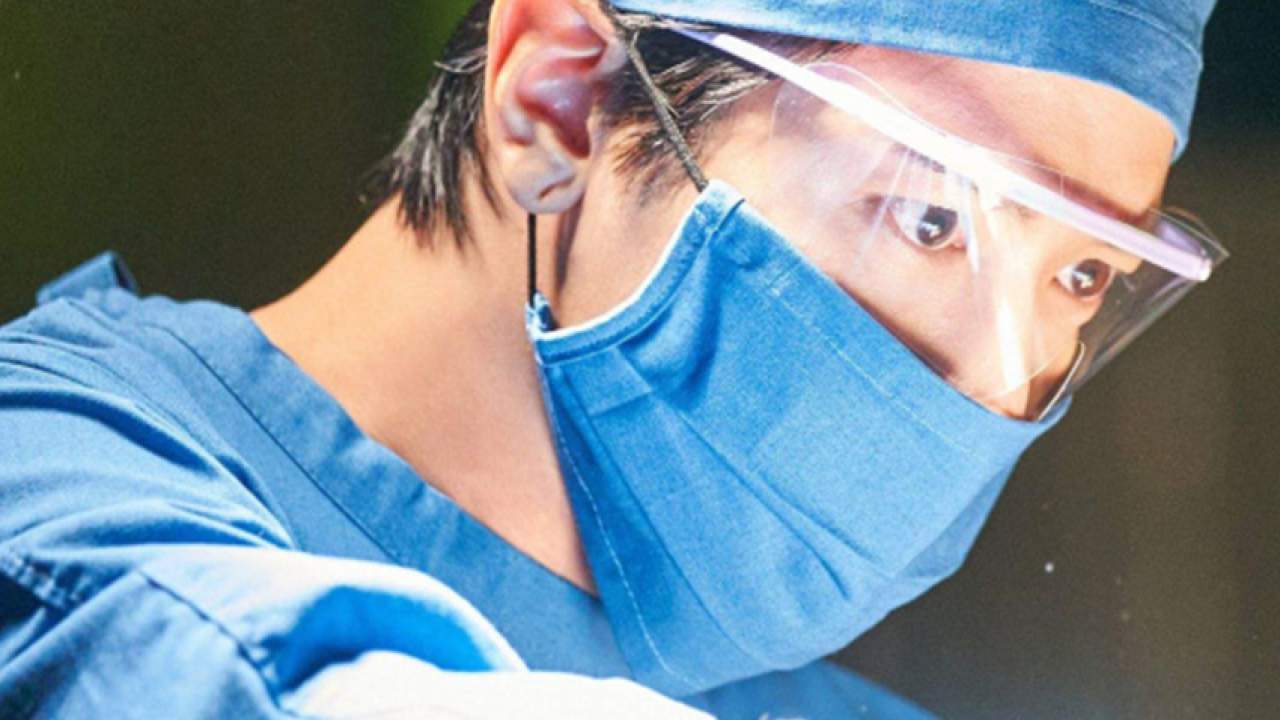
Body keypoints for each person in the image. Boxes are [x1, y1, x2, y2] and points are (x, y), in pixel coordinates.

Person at [0, 0, 1224, 717]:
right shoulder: (63, 504)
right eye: (930, 217)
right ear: (562, 98)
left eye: (1080, 277)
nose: (998, 383)